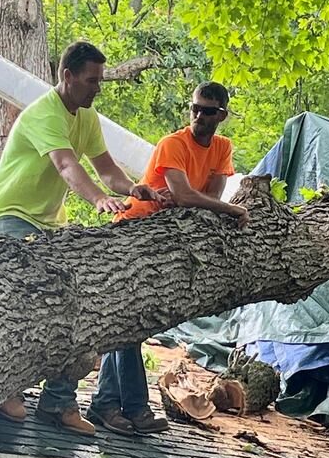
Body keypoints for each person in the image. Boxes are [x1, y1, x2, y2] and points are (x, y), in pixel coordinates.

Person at [0, 40, 160, 435]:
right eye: (91, 80)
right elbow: (66, 165)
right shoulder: (44, 113)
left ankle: (57, 402)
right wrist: (98, 199)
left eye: (99, 80)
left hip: (49, 225)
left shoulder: (87, 117)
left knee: (79, 303)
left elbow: (107, 169)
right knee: (28, 304)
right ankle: (3, 389)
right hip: (13, 218)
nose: (97, 87)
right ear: (67, 76)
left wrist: (132, 189)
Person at [86, 82, 247, 436]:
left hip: (166, 237)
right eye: (194, 108)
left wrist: (203, 201)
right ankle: (127, 406)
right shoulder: (173, 143)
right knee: (129, 319)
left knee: (133, 321)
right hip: (134, 228)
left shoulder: (222, 147)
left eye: (207, 111)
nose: (198, 116)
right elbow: (188, 196)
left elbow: (207, 194)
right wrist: (231, 209)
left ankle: (109, 403)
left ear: (221, 115)